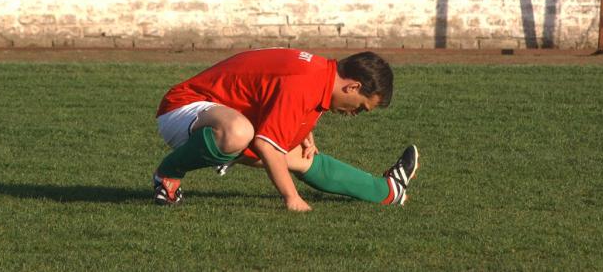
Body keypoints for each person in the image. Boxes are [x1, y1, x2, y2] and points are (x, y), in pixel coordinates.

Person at [152, 48, 419, 211]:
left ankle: (387, 191)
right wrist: (291, 197)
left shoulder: (320, 73)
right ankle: (168, 175)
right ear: (353, 87)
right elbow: (266, 145)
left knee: (300, 157)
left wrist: (301, 132)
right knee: (240, 133)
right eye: (360, 107)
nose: (354, 114)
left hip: (220, 114)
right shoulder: (306, 82)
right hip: (182, 108)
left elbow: (271, 95)